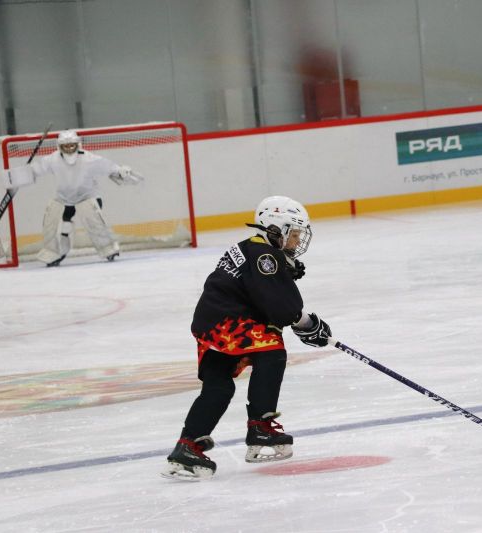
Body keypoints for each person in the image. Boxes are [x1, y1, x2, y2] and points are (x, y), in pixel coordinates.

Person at [163, 195, 332, 480]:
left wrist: (284, 273)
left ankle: (187, 446)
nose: (297, 241)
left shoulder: (252, 248)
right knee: (272, 348)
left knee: (219, 388)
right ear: (275, 229)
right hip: (227, 322)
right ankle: (260, 427)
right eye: (293, 234)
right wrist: (308, 324)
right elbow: (282, 309)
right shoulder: (265, 255)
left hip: (209, 324)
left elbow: (255, 290)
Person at [19, 129, 141, 266]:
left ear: (78, 144)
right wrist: (20, 175)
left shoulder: (88, 158)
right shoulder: (52, 159)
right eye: (66, 146)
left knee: (95, 222)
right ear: (59, 146)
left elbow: (107, 166)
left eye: (72, 145)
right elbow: (36, 169)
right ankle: (56, 254)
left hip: (88, 197)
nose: (69, 149)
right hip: (64, 200)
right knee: (60, 226)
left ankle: (108, 249)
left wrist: (120, 170)